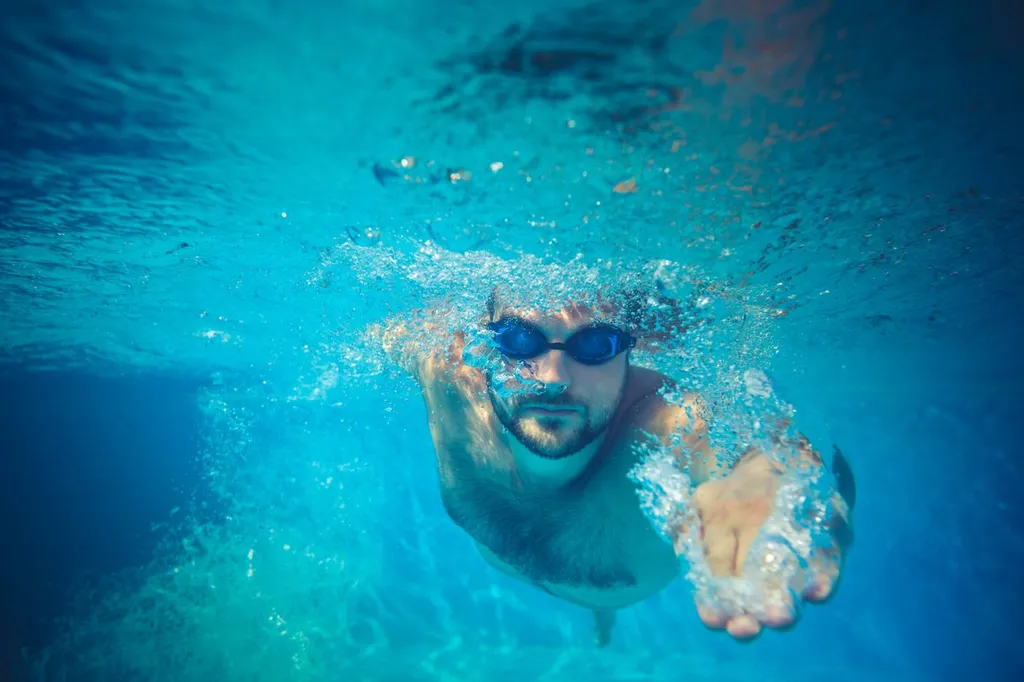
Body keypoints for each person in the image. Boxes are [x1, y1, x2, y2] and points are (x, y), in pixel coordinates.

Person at [374, 285, 855, 646]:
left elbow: (743, 440)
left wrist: (778, 477)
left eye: (596, 344)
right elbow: (392, 332)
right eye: (519, 340)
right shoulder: (450, 382)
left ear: (628, 351)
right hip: (534, 572)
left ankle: (604, 617)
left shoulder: (662, 421)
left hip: (606, 593)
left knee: (602, 609)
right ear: (487, 343)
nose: (553, 376)